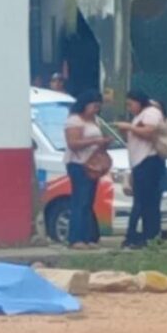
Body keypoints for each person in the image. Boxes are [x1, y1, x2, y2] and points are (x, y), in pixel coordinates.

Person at [116, 90, 166, 249]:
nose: (129, 108)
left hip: (149, 161)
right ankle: (144, 235)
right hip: (139, 162)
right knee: (143, 202)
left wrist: (130, 127)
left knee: (146, 202)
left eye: (131, 104)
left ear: (139, 102)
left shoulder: (151, 113)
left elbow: (150, 132)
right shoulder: (140, 116)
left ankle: (145, 236)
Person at [63, 90, 113, 250]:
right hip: (78, 163)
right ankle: (76, 238)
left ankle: (88, 236)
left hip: (92, 163)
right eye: (93, 106)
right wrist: (94, 140)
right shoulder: (74, 121)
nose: (95, 110)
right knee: (80, 200)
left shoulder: (94, 121)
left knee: (89, 201)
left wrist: (103, 143)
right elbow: (73, 143)